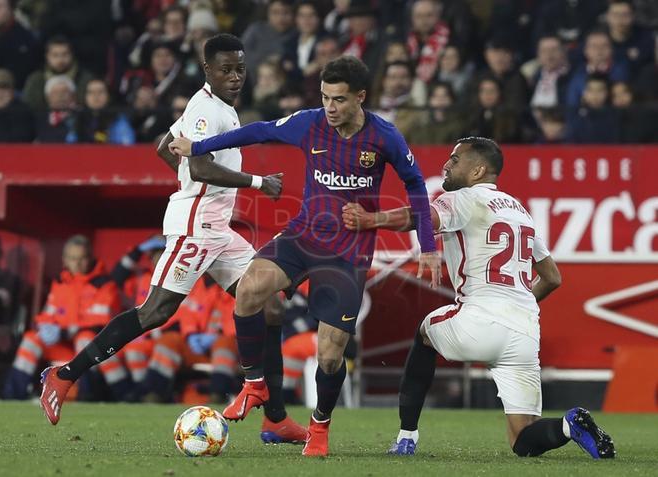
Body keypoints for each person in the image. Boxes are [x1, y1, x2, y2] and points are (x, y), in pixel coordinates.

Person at [39, 33, 306, 445]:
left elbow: (164, 146)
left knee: (269, 303)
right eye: (225, 70)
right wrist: (256, 182)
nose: (235, 77)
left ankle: (274, 419)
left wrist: (186, 179)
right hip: (195, 226)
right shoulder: (206, 109)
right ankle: (63, 375)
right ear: (207, 71)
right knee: (155, 312)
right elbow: (198, 167)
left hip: (219, 227)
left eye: (240, 69)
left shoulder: (220, 108)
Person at [169, 55, 440, 456]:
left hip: (347, 253)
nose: (330, 108)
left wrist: (429, 246)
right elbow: (258, 132)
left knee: (329, 355)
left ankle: (319, 427)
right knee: (249, 290)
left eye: (340, 100)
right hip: (302, 236)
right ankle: (254, 384)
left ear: (361, 98)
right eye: (326, 97)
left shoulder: (384, 137)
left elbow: (416, 185)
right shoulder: (308, 122)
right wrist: (199, 146)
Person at [341, 136, 616, 460]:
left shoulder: (463, 198)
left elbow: (421, 216)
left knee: (424, 333)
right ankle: (569, 426)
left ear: (478, 170)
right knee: (523, 439)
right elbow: (553, 276)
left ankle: (406, 437)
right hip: (525, 330)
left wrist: (372, 220)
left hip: (478, 318)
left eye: (455, 160)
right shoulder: (519, 211)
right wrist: (516, 305)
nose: (446, 164)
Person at [4, 235, 129, 400]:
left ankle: (87, 397)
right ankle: (12, 397)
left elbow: (101, 322)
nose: (76, 263)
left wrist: (64, 331)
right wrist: (45, 327)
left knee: (86, 339)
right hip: (63, 345)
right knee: (31, 339)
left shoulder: (105, 284)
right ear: (64, 259)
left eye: (81, 258)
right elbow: (48, 314)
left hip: (91, 347)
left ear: (90, 258)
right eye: (72, 258)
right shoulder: (61, 282)